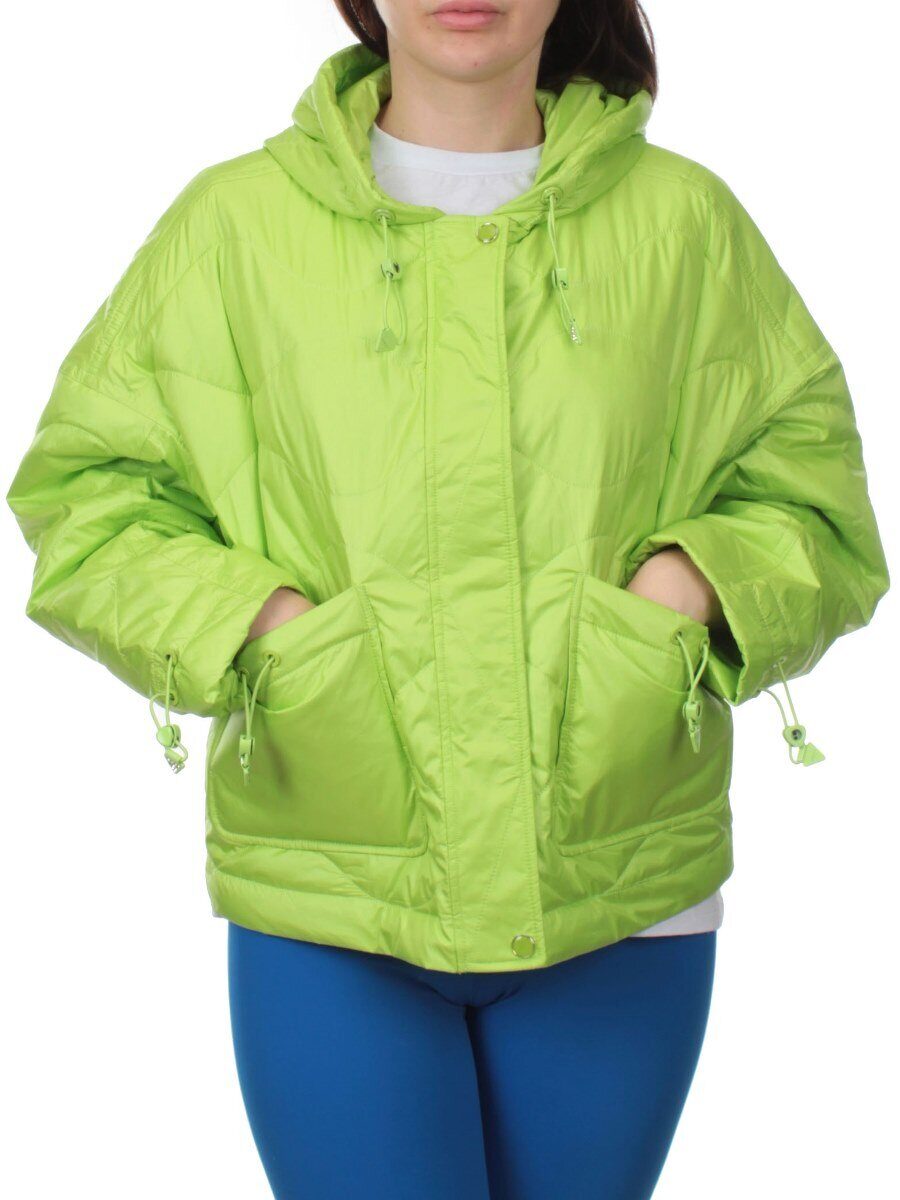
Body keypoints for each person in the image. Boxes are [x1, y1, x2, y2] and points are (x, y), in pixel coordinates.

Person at [7, 2, 890, 1198]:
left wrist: (688, 589)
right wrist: (266, 626)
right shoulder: (234, 228)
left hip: (621, 890)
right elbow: (89, 493)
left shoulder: (685, 224)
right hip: (332, 889)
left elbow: (812, 492)